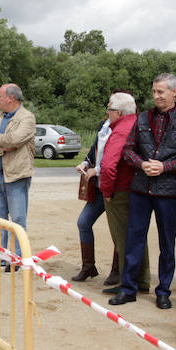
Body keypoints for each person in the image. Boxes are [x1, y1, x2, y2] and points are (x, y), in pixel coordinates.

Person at [109, 73, 176, 309]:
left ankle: (163, 291)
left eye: (160, 92)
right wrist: (141, 164)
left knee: (167, 243)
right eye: (154, 91)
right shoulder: (142, 118)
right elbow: (127, 150)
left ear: (174, 92)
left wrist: (165, 167)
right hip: (141, 188)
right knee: (134, 239)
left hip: (169, 192)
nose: (156, 96)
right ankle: (128, 289)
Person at [98, 92, 151, 296]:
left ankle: (127, 281)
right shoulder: (138, 124)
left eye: (109, 110)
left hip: (120, 190)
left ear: (118, 112)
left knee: (123, 238)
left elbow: (109, 165)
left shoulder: (121, 130)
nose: (107, 113)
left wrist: (107, 190)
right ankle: (142, 279)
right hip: (137, 187)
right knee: (137, 236)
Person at [0, 83, 35, 271]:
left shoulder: (27, 118)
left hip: (17, 176)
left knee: (18, 219)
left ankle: (18, 259)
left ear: (11, 98)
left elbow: (16, 140)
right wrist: (2, 147)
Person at [71, 115, 110, 282]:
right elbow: (95, 149)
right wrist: (86, 164)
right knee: (83, 222)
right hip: (99, 188)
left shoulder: (130, 126)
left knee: (118, 232)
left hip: (117, 188)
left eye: (112, 107)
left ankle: (117, 271)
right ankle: (88, 266)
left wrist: (99, 170)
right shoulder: (104, 125)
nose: (108, 110)